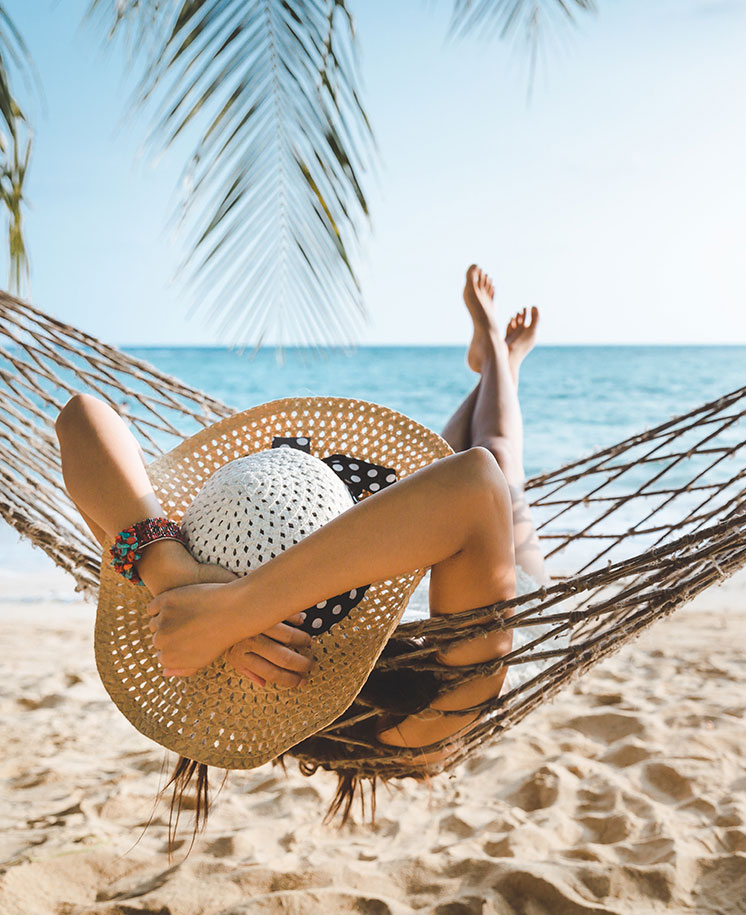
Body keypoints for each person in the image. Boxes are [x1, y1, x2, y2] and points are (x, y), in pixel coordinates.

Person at [54, 263, 543, 822]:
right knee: (502, 458)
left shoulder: (177, 620)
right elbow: (476, 485)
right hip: (495, 596)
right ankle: (502, 361)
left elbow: (79, 419)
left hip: (383, 544)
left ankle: (491, 364)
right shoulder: (423, 722)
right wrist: (233, 612)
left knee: (450, 458)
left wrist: (177, 576)